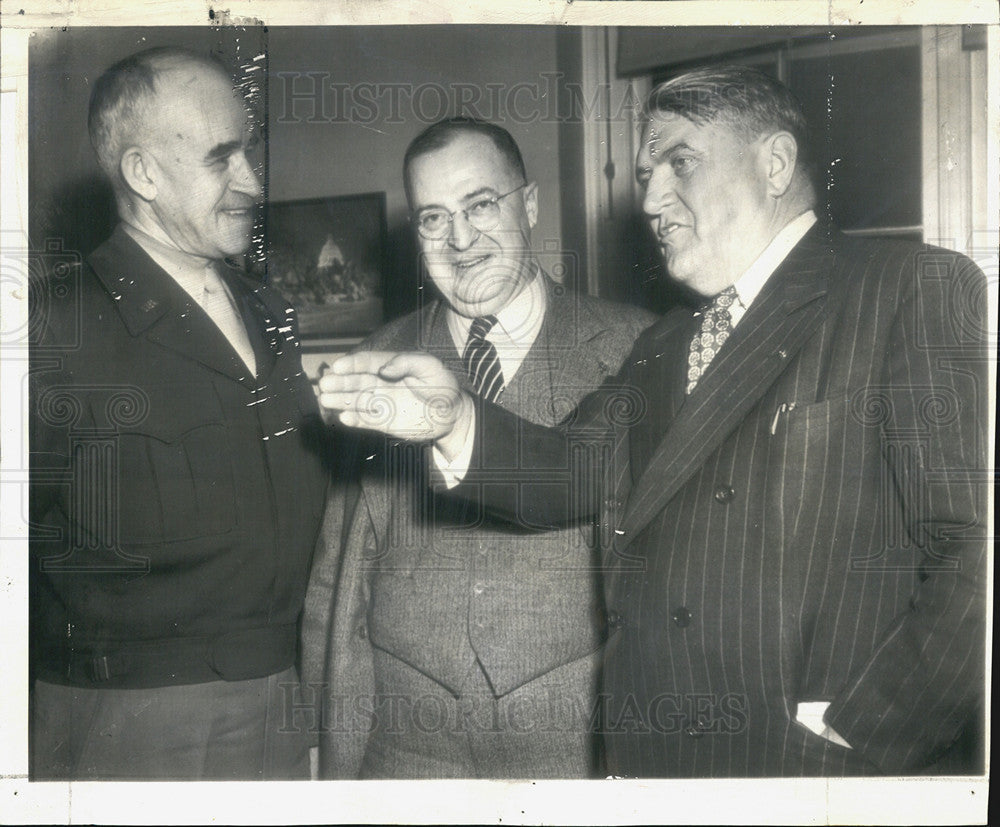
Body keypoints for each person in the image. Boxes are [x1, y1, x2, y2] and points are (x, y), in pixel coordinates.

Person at [319, 67, 988, 777]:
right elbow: (568, 469)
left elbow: (979, 548)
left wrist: (866, 727)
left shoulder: (908, 288)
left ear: (775, 162)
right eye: (643, 174)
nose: (651, 199)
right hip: (658, 765)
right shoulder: (666, 342)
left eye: (680, 162)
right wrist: (455, 421)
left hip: (810, 769)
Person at [301, 117, 655, 778]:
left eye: (481, 205)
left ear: (529, 204)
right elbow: (339, 580)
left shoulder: (636, 347)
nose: (460, 240)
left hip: (574, 745)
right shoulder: (379, 360)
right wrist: (331, 755)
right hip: (407, 755)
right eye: (433, 218)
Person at [29, 47, 327, 780]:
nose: (253, 182)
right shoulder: (51, 325)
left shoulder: (268, 308)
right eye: (222, 158)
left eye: (247, 153)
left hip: (283, 695)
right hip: (131, 718)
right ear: (143, 173)